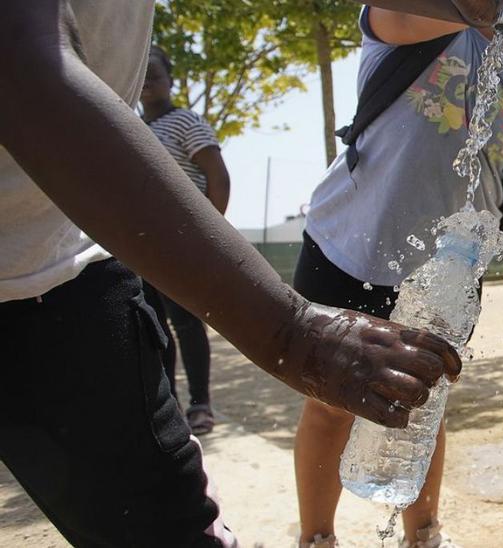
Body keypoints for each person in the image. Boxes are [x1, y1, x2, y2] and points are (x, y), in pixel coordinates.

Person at [0, 2, 461, 546]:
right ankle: (317, 535)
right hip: (91, 256)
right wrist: (293, 332)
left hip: (69, 265)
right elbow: (22, 68)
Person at [292, 6, 503, 548]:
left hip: (447, 264)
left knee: (421, 401)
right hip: (350, 248)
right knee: (330, 405)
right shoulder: (405, 18)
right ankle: (317, 538)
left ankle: (424, 536)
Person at [140, 45, 231, 435]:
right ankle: (169, 407)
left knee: (188, 325)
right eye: (140, 77)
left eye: (155, 75)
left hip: (181, 243)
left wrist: (203, 233)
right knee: (151, 328)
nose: (146, 83)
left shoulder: (186, 122)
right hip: (138, 246)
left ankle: (200, 405)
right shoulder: (132, 129)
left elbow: (218, 177)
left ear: (171, 80)